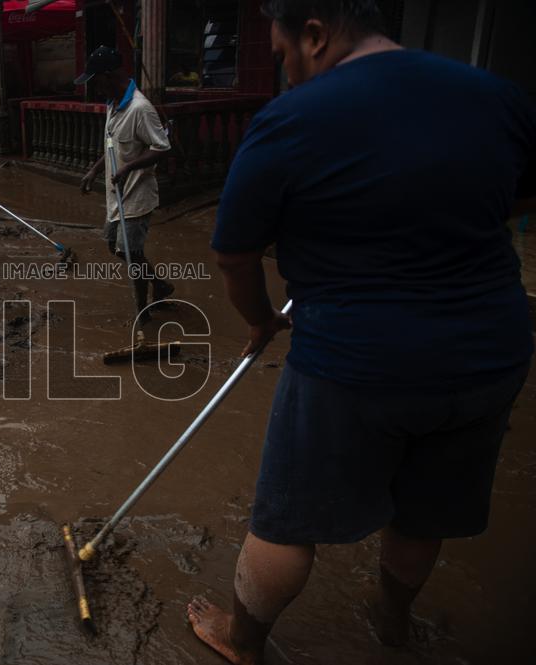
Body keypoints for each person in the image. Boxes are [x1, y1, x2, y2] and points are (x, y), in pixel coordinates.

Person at [188, 1, 536, 663]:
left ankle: (242, 639)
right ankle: (392, 620)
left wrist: (261, 319)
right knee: (422, 512)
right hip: (491, 355)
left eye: (284, 54)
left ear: (315, 35)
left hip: (355, 360)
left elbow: (234, 253)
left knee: (287, 521)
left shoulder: (292, 119)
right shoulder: (498, 95)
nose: (286, 71)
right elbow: (519, 194)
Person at [77, 46, 175, 321]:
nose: (94, 87)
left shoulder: (140, 109)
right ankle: (161, 284)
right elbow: (111, 146)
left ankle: (142, 311)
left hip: (136, 194)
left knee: (131, 253)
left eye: (95, 80)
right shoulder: (112, 104)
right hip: (115, 193)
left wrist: (130, 167)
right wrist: (94, 171)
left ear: (108, 76)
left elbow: (162, 147)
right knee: (113, 246)